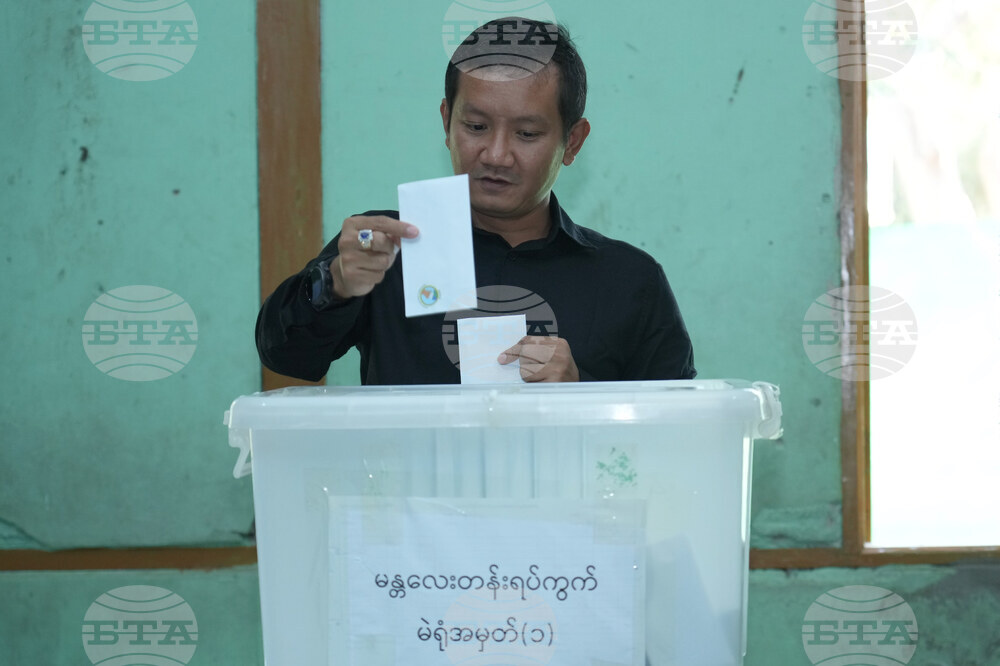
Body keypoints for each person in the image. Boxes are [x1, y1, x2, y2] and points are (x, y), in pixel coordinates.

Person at [256, 18, 695, 384]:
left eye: (527, 133)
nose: (496, 155)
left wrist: (581, 395)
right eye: (477, 127)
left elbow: (676, 431)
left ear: (573, 141)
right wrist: (333, 283)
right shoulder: (385, 251)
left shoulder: (629, 281)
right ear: (447, 122)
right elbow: (286, 357)